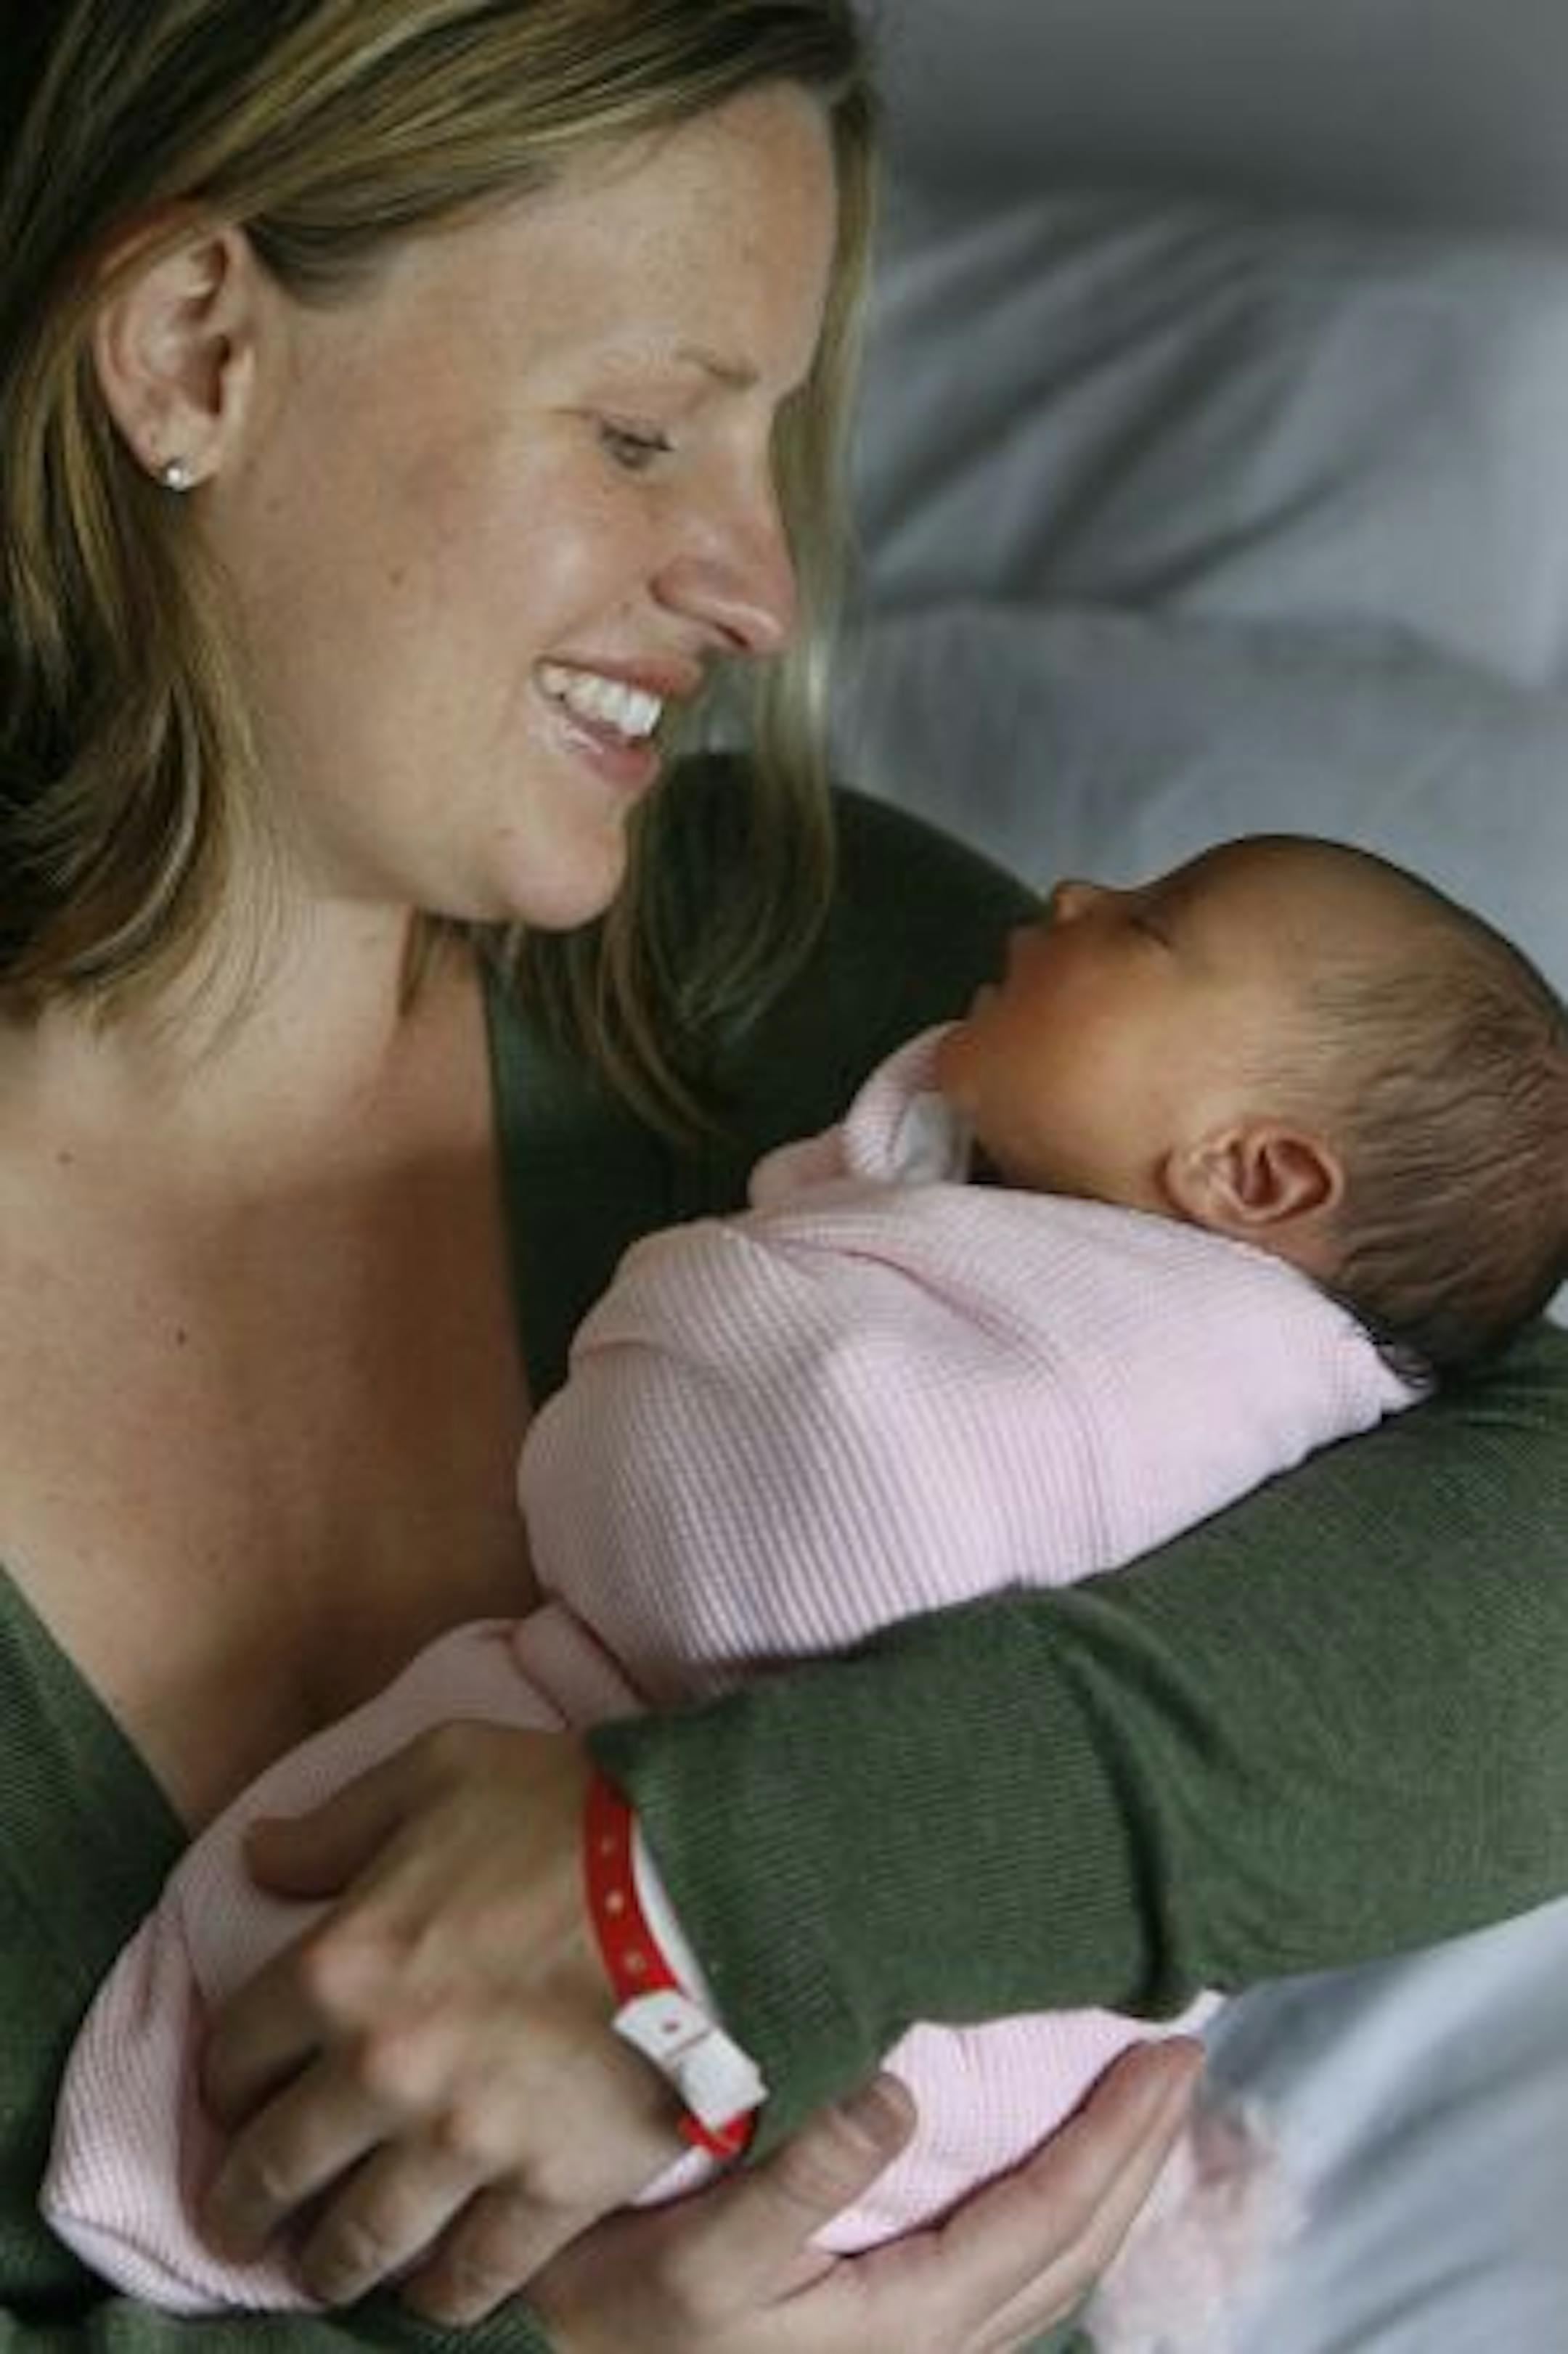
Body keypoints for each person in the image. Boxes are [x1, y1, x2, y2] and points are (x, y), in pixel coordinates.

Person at [2, 7, 1567, 2354]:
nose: (754, 588)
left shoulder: (793, 967)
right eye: (643, 430)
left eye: (774, 445)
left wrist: (713, 1887)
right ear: (198, 353)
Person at [44, 829, 1568, 2333]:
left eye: (1151, 928)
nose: (1075, 894)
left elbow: (762, 1489)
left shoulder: (787, 931)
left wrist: (717, 1892)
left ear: (1256, 1170)